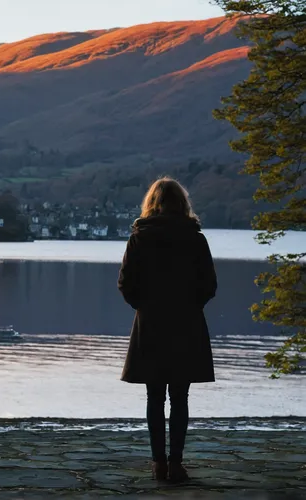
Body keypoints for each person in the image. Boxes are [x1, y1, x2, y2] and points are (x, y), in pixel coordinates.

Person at [117, 177, 217, 483]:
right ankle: (176, 463)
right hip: (186, 325)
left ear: (151, 203)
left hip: (151, 325)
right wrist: (190, 306)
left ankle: (158, 463)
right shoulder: (195, 239)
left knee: (154, 397)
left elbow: (125, 284)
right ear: (182, 203)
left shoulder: (139, 238)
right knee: (180, 397)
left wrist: (144, 307)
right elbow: (209, 286)